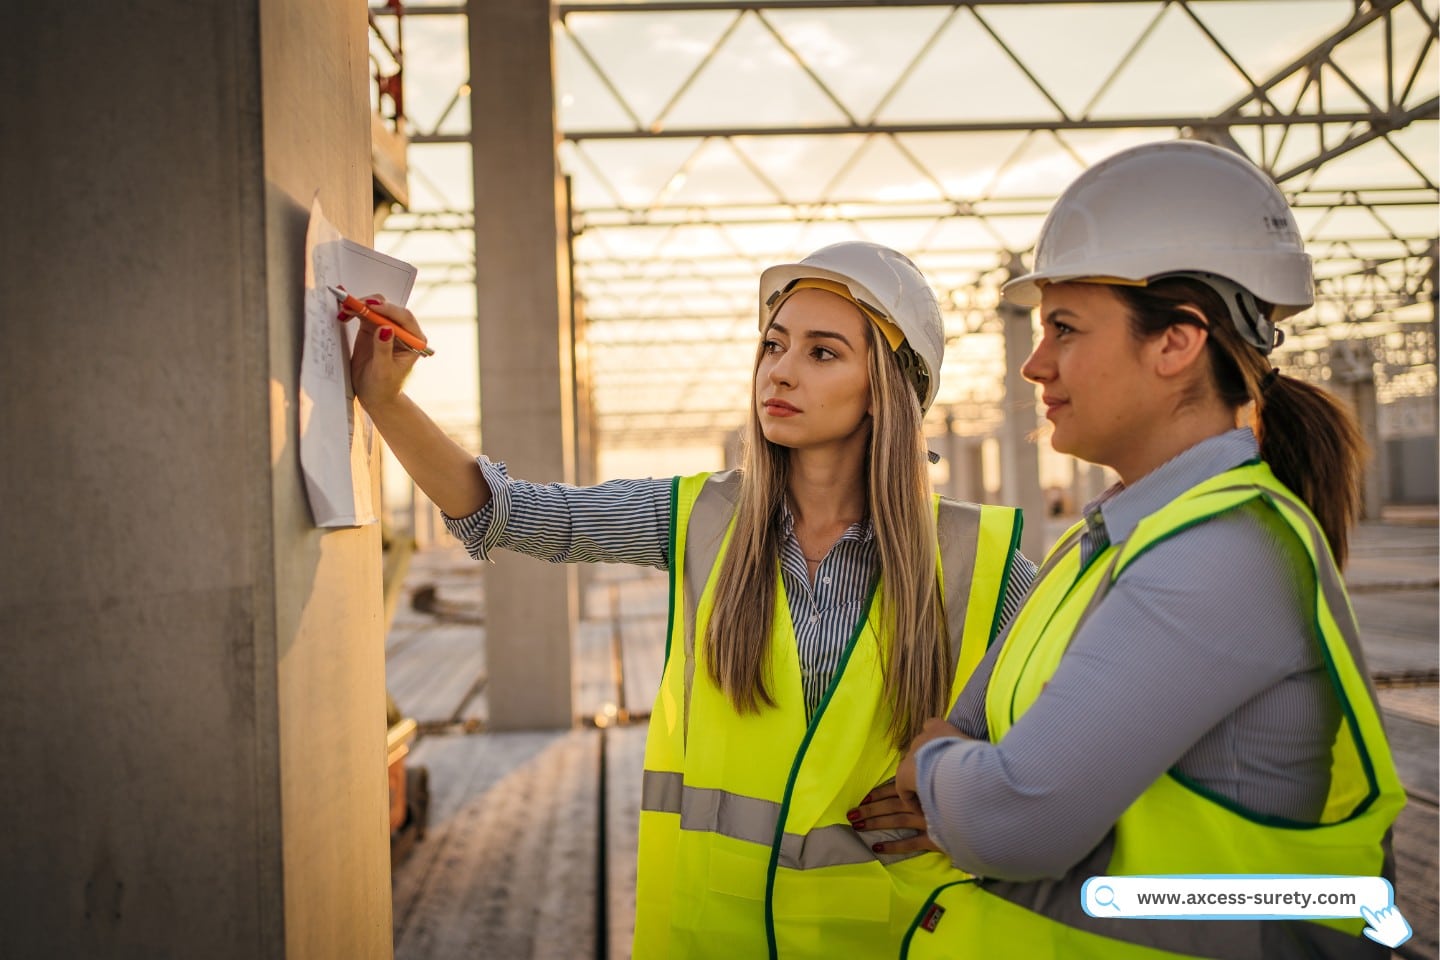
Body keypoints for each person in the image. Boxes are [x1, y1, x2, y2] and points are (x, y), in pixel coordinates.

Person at [345, 241, 1038, 958]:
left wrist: (977, 803)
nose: (781, 370)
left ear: (887, 389)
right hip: (716, 937)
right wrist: (385, 402)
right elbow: (509, 513)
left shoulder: (980, 560)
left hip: (888, 940)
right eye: (774, 345)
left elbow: (1093, 734)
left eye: (822, 353)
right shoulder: (699, 519)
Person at [863, 141, 1405, 959]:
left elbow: (1009, 819)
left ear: (1176, 343)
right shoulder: (1106, 542)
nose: (1033, 364)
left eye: (1065, 329)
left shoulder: (1222, 555)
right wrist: (961, 771)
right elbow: (978, 738)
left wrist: (935, 765)